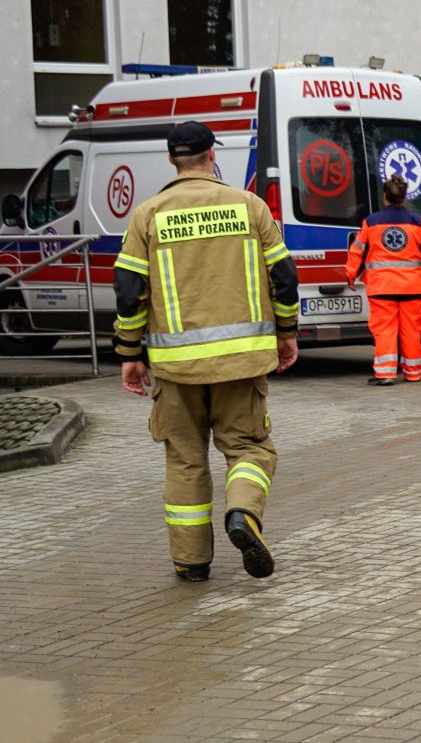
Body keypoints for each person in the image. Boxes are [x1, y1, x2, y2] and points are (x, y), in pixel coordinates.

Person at [113, 121, 300, 582]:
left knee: (185, 459)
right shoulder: (249, 206)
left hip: (176, 369)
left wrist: (129, 352)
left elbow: (129, 291)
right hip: (243, 361)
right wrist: (287, 332)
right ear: (212, 154)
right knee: (250, 448)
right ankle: (243, 514)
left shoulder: (148, 215)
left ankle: (191, 562)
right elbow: (285, 277)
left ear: (171, 159)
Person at [346, 176, 421, 385]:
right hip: (412, 287)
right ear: (404, 196)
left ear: (385, 196)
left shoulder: (371, 222)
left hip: (381, 287)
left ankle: (386, 373)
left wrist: (351, 274)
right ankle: (413, 372)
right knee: (411, 331)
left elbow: (357, 252)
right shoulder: (420, 221)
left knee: (384, 331)